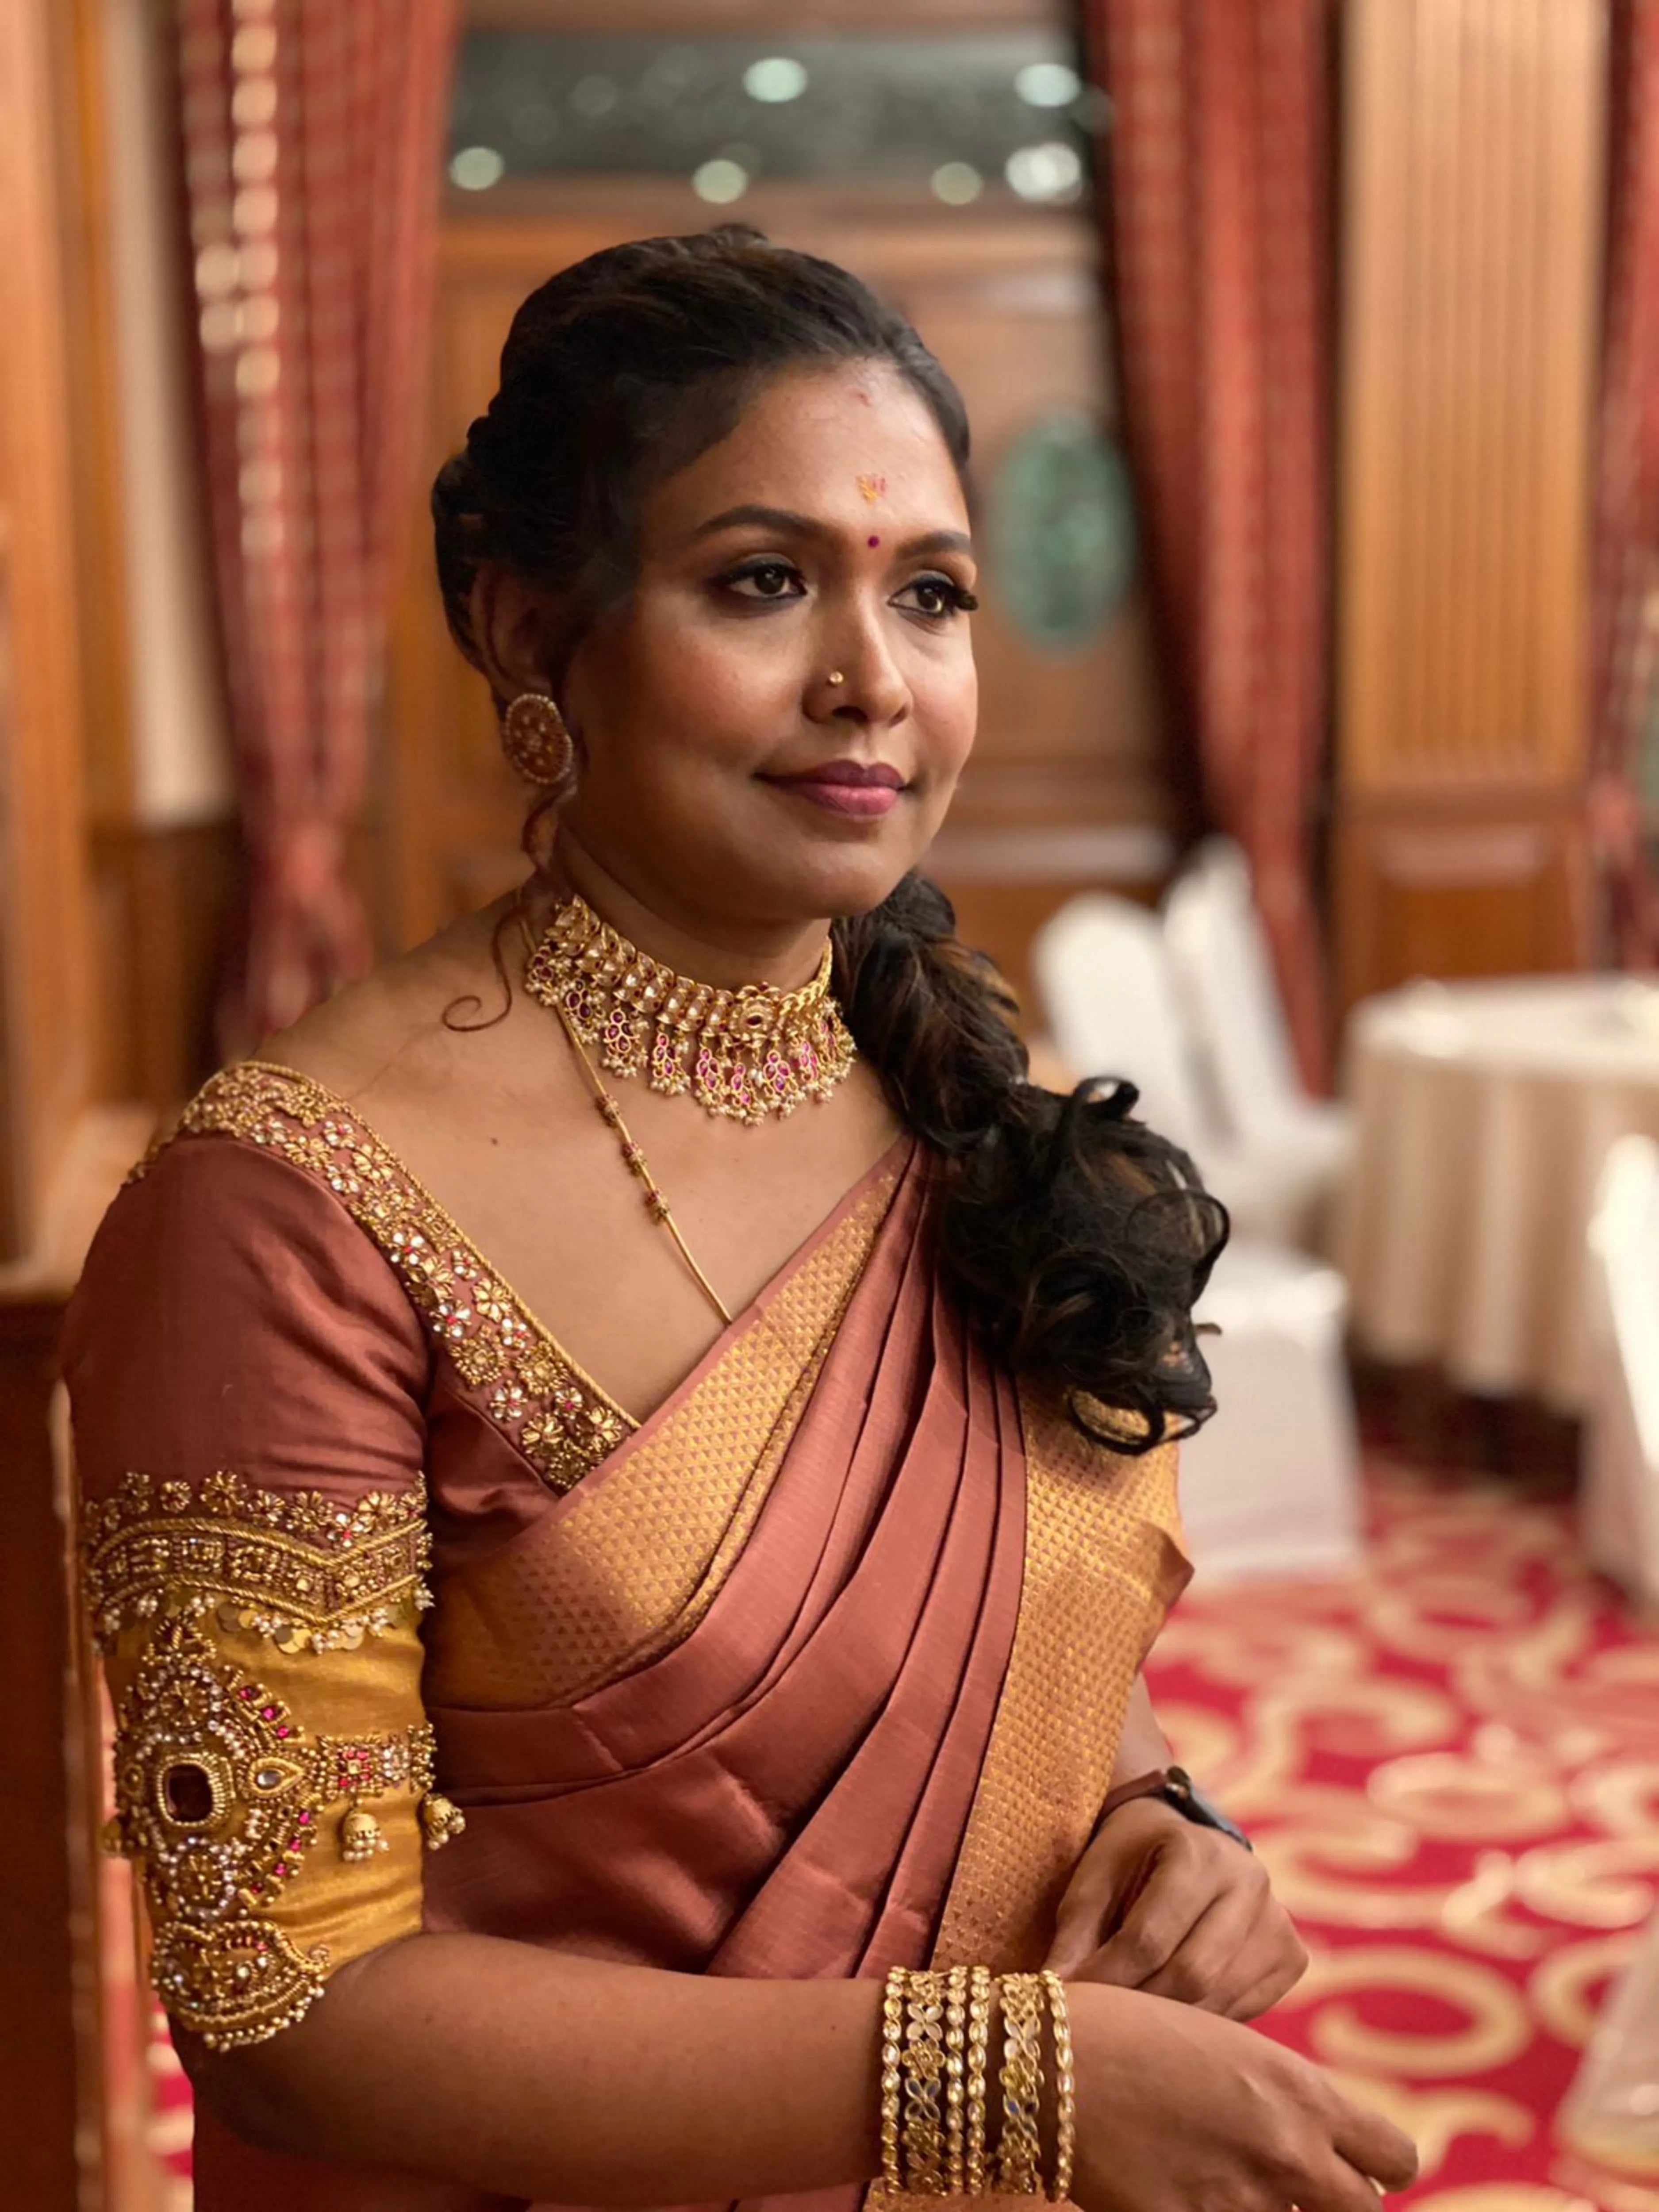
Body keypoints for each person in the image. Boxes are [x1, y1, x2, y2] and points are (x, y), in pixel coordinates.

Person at [64, 226, 1416, 2212]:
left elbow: (1008, 1635)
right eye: (762, 581)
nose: (871, 681)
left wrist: (1151, 1811)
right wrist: (1008, 2078)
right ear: (530, 631)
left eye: (930, 594)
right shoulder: (281, 1214)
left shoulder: (951, 1087)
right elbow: (287, 2004)